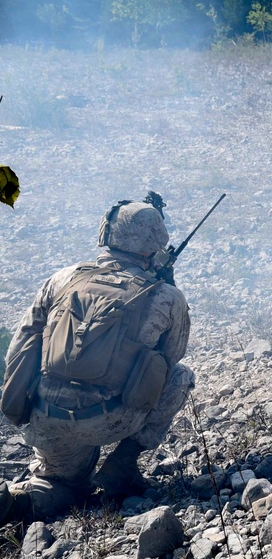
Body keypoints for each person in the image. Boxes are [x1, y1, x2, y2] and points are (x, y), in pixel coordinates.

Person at [0, 201, 194, 526]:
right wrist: (168, 288)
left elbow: (20, 349)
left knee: (62, 484)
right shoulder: (166, 297)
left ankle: (18, 503)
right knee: (180, 377)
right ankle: (123, 464)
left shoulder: (61, 279)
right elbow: (170, 359)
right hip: (111, 421)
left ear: (106, 233)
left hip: (47, 419)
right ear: (155, 245)